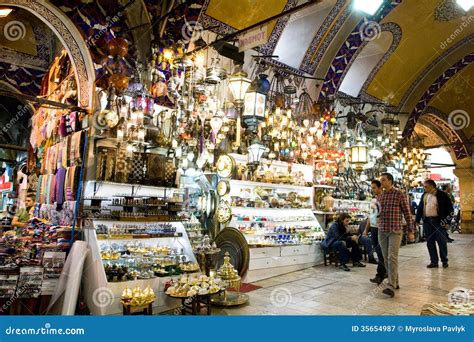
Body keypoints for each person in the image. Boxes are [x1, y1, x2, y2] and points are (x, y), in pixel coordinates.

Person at [378, 173, 415, 298]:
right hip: (382, 230)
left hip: (395, 230)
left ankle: (391, 285)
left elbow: (407, 213)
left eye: (383, 180)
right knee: (385, 258)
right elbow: (377, 213)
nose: (381, 182)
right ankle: (396, 282)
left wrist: (411, 231)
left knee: (392, 257)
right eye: (380, 180)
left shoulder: (399, 194)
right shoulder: (381, 196)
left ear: (390, 181)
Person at [415, 179, 453, 268]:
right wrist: (417, 220)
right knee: (430, 242)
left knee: (441, 241)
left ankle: (444, 261)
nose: (424, 188)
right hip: (427, 221)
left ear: (432, 186)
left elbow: (450, 210)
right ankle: (434, 262)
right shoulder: (424, 195)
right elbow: (420, 208)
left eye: (426, 186)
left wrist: (447, 222)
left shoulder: (442, 195)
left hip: (439, 222)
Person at [363, 179, 387, 284]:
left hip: (381, 228)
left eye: (374, 188)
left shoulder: (384, 199)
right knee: (378, 251)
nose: (372, 190)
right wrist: (366, 229)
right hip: (373, 228)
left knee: (381, 251)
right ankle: (383, 272)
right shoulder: (373, 200)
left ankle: (381, 274)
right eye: (371, 188)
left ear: (380, 187)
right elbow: (370, 216)